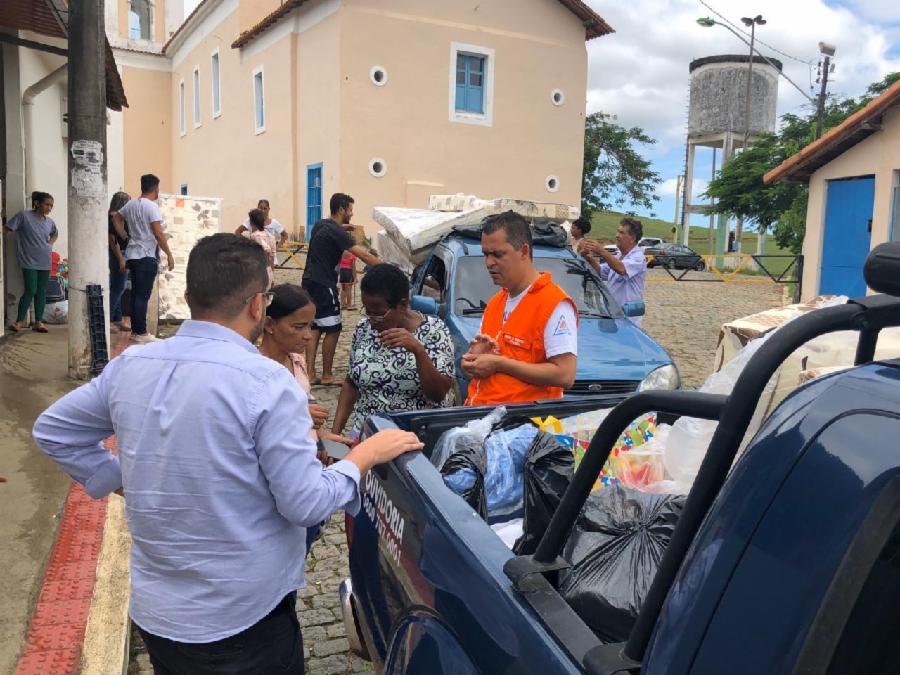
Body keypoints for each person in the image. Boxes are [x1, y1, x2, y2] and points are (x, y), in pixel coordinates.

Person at [32, 234, 422, 673]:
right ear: (259, 305)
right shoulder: (266, 384)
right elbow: (305, 503)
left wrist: (122, 479)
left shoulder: (132, 365)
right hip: (243, 618)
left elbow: (55, 431)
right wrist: (362, 458)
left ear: (187, 296)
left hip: (160, 613)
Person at [462, 211, 578, 407]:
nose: (489, 263)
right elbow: (479, 368)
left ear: (524, 251)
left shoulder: (553, 303)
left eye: (497, 254)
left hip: (520, 427)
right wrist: (472, 361)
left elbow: (565, 375)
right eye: (486, 254)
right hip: (480, 417)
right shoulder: (496, 302)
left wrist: (499, 364)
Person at [332, 263, 454, 439]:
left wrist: (418, 351)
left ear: (402, 305)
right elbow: (351, 384)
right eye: (367, 312)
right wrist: (335, 434)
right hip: (366, 434)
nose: (372, 320)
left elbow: (438, 394)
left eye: (378, 313)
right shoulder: (364, 328)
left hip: (412, 439)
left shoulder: (434, 331)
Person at [302, 193, 380, 385]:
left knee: (315, 327)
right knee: (333, 328)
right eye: (350, 210)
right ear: (341, 209)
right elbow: (363, 255)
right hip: (324, 284)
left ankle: (310, 374)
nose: (352, 214)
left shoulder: (321, 225)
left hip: (309, 281)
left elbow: (335, 228)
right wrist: (385, 266)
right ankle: (327, 375)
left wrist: (346, 227)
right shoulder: (337, 234)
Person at [111, 174, 175, 343]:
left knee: (135, 295)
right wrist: (169, 254)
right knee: (142, 295)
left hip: (132, 254)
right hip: (146, 255)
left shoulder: (130, 204)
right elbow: (158, 233)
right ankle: (141, 332)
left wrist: (123, 233)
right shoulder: (152, 207)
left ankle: (136, 331)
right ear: (156, 189)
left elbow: (116, 217)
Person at [4, 191, 59, 333]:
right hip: (29, 261)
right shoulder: (24, 216)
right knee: (31, 290)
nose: (49, 208)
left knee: (41, 291)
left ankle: (38, 322)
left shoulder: (49, 222)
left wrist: (50, 244)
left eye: (51, 206)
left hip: (45, 261)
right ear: (37, 203)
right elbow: (7, 228)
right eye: (47, 204)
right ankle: (18, 322)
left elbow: (55, 233)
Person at [578, 217, 647, 328]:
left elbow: (621, 269)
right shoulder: (618, 255)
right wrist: (588, 258)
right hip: (613, 315)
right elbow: (600, 272)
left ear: (632, 238)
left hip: (628, 319)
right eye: (617, 231)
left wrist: (601, 250)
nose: (617, 235)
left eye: (621, 232)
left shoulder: (638, 257)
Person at [108, 191, 131, 333]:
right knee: (118, 287)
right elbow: (112, 240)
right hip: (118, 254)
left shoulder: (119, 216)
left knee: (119, 287)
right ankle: (109, 319)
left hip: (121, 253)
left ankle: (117, 318)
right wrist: (121, 259)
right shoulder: (113, 217)